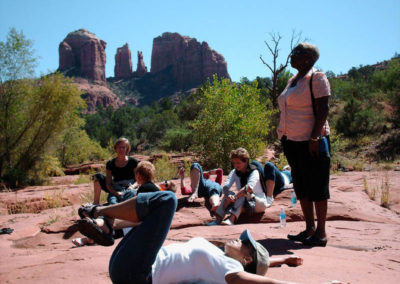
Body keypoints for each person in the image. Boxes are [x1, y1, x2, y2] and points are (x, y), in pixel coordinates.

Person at [78, 190, 303, 284]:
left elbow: (268, 283)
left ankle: (100, 214)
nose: (240, 240)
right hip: (127, 263)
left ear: (246, 260)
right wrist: (282, 260)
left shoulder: (228, 270)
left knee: (167, 200)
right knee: (130, 195)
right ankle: (106, 225)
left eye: (245, 244)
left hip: (138, 273)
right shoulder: (221, 257)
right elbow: (262, 266)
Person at [277, 42, 331, 247]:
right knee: (301, 185)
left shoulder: (317, 77)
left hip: (312, 141)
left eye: (297, 52)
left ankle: (321, 233)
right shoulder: (294, 80)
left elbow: (324, 109)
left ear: (308, 58)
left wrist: (315, 138)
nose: (292, 55)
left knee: (317, 185)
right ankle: (309, 228)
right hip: (293, 141)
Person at [73, 161, 160, 247]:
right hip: (145, 223)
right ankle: (95, 229)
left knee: (110, 218)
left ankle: (93, 231)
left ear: (138, 174)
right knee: (110, 219)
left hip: (139, 224)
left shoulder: (144, 189)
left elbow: (133, 208)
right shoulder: (152, 188)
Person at [208, 148, 268, 226]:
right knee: (229, 195)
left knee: (243, 194)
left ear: (246, 161)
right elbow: (226, 186)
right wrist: (228, 195)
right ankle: (217, 220)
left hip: (258, 203)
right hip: (244, 203)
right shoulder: (234, 172)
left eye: (238, 163)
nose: (236, 165)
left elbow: (248, 188)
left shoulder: (254, 172)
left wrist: (235, 197)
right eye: (234, 163)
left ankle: (231, 219)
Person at [92, 137, 138, 205]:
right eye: (119, 147)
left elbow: (139, 180)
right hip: (116, 188)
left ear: (127, 149)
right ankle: (96, 204)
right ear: (115, 148)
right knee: (112, 201)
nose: (121, 149)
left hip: (130, 188)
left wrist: (132, 187)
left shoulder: (133, 162)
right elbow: (108, 183)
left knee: (130, 197)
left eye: (123, 147)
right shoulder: (110, 163)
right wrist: (116, 193)